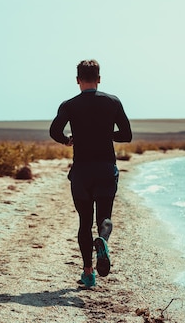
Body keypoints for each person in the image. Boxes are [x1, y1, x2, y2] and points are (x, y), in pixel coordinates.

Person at [49, 59, 132, 288]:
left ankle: (88, 273)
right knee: (104, 218)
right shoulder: (112, 102)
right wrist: (106, 134)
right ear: (99, 79)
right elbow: (126, 134)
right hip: (105, 169)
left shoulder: (69, 105)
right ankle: (102, 241)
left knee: (84, 222)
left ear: (77, 80)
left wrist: (68, 140)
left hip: (82, 172)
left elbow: (54, 131)